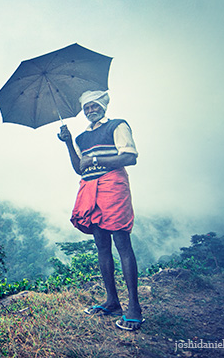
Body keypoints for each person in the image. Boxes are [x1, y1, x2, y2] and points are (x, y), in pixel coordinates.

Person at [57, 90, 144, 331]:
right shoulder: (82, 138)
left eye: (94, 105)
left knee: (122, 243)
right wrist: (68, 142)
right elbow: (79, 168)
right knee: (101, 245)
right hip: (89, 188)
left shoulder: (118, 125)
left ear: (103, 106)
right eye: (86, 107)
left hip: (112, 185)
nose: (90, 110)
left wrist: (96, 161)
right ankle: (112, 301)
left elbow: (130, 157)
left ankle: (134, 308)